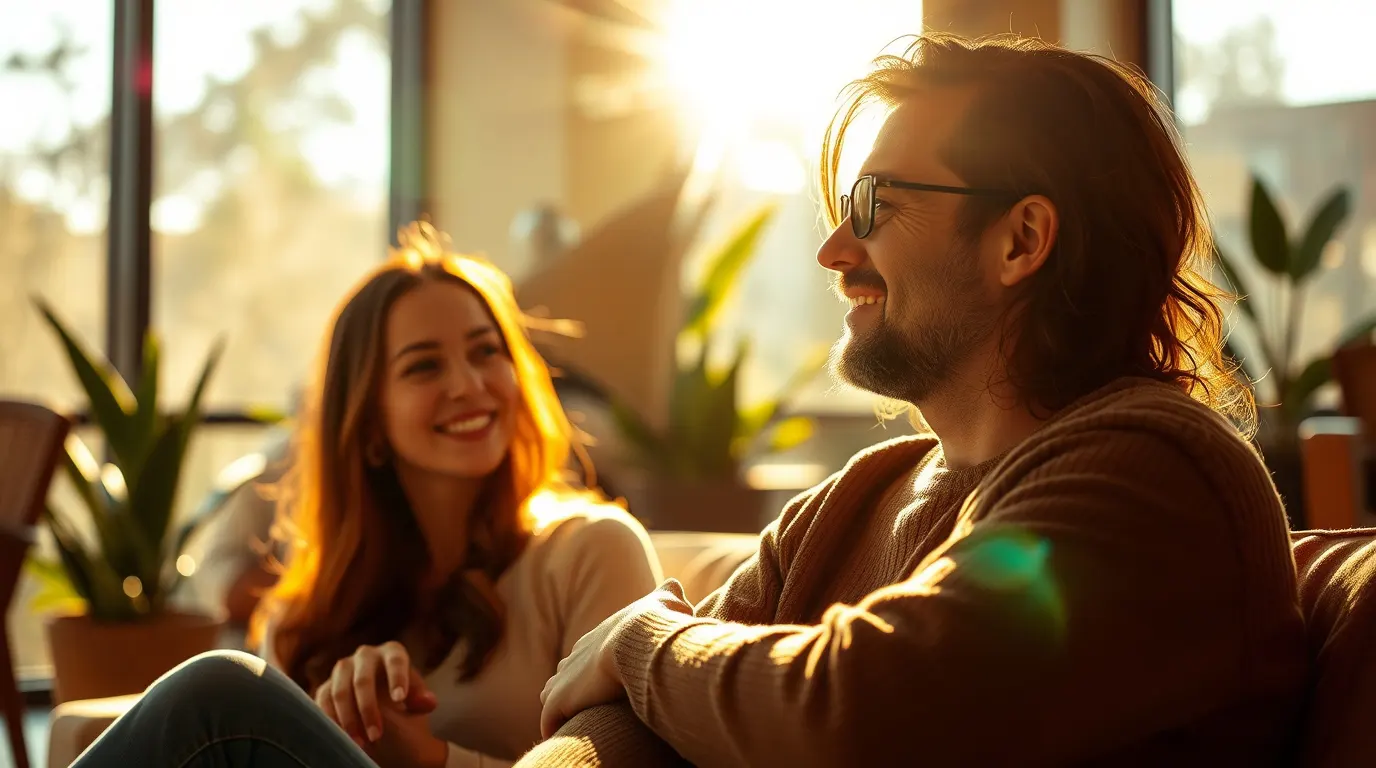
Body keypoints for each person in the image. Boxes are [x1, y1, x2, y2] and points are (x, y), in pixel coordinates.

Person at [527, 33, 1307, 767]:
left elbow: (856, 716)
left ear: (1021, 241)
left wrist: (640, 644)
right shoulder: (849, 505)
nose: (833, 251)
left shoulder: (1154, 473)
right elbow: (636, 717)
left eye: (875, 204)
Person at [73, 222, 663, 768]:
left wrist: (429, 758)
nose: (468, 385)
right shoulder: (304, 619)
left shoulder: (591, 550)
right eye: (424, 367)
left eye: (487, 351)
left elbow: (625, 764)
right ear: (370, 425)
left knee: (218, 689)